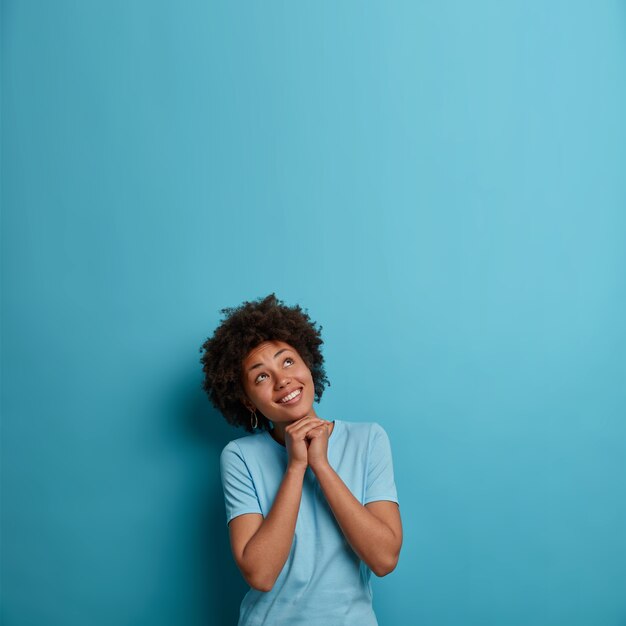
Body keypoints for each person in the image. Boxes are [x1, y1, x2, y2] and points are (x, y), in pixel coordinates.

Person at [199, 293, 402, 625]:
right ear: (248, 401)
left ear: (308, 365)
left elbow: (384, 559)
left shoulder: (368, 439)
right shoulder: (240, 457)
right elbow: (261, 575)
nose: (283, 380)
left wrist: (320, 465)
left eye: (288, 361)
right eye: (261, 376)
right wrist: (296, 466)